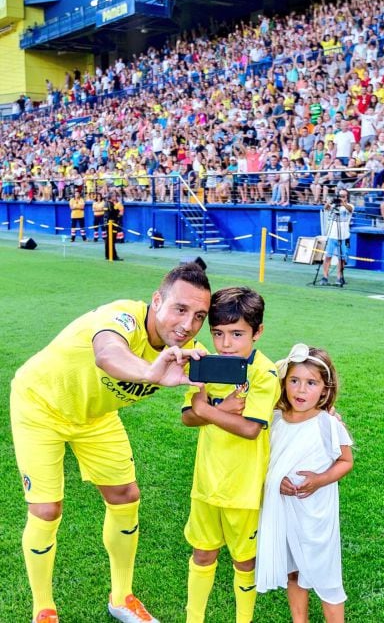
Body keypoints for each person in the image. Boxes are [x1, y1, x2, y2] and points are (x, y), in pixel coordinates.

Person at [10, 263, 212, 623]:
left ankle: (121, 598)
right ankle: (43, 610)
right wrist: (150, 372)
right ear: (156, 301)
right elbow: (107, 353)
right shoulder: (123, 317)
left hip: (94, 417)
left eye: (199, 316)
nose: (188, 325)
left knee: (125, 496)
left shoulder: (188, 349)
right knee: (46, 510)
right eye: (180, 310)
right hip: (39, 404)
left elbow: (210, 400)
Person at [181, 287, 280, 623]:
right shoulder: (205, 366)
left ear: (258, 332)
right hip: (206, 485)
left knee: (244, 561)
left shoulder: (263, 374)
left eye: (237, 334)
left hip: (244, 490)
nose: (226, 344)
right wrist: (222, 408)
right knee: (203, 553)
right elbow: (187, 417)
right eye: (218, 334)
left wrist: (207, 410)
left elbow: (251, 428)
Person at [256, 343, 353, 623]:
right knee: (293, 570)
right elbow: (267, 460)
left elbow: (345, 461)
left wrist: (319, 480)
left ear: (325, 388)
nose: (300, 390)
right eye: (294, 381)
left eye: (311, 383)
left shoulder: (328, 424)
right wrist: (277, 481)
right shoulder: (274, 419)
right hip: (284, 511)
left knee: (326, 576)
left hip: (315, 516)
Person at [320, 188, 354, 287]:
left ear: (347, 197)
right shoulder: (334, 206)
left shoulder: (350, 206)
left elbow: (350, 209)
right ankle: (325, 276)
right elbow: (325, 208)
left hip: (344, 236)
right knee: (328, 256)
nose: (342, 197)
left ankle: (339, 277)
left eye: (344, 196)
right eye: (340, 195)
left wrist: (343, 203)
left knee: (342, 258)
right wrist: (330, 202)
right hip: (332, 235)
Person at [103, 192, 123, 261]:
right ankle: (113, 256)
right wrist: (118, 212)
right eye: (114, 196)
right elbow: (113, 213)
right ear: (111, 197)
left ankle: (107, 255)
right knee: (112, 240)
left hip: (107, 223)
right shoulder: (110, 204)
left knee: (108, 239)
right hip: (111, 224)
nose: (115, 197)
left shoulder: (106, 203)